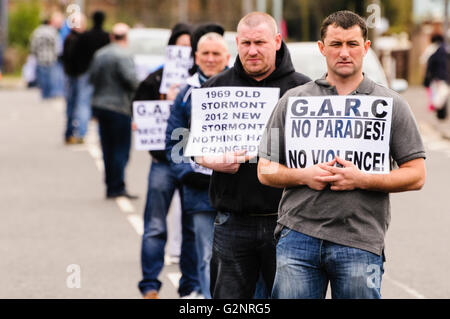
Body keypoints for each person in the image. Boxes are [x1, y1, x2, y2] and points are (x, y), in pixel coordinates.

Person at [257, 10, 426, 299]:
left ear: (366, 48)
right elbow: (265, 169)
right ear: (322, 48)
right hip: (297, 237)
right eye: (336, 44)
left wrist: (362, 179)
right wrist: (304, 176)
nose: (344, 52)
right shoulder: (292, 102)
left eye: (352, 44)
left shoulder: (391, 104)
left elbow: (416, 174)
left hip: (360, 241)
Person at [194, 12, 311, 299]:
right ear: (236, 43)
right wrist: (211, 160)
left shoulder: (303, 90)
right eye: (245, 43)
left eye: (260, 42)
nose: (253, 50)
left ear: (277, 41)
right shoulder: (215, 88)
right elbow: (194, 147)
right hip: (232, 220)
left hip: (288, 222)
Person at [133, 23, 203, 299]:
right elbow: (139, 112)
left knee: (191, 227)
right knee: (154, 225)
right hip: (162, 162)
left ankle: (190, 287)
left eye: (189, 48)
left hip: (191, 164)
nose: (184, 53)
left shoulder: (204, 83)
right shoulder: (154, 80)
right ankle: (150, 285)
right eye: (180, 47)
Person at [166, 31, 231, 299]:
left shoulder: (244, 90)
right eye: (205, 53)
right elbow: (174, 140)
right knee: (206, 256)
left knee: (235, 260)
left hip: (236, 193)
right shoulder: (185, 94)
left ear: (228, 57)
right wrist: (188, 174)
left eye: (217, 53)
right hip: (199, 192)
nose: (211, 58)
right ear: (196, 57)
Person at [89, 23, 139, 199]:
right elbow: (131, 80)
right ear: (126, 37)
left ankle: (110, 185)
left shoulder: (99, 54)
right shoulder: (124, 54)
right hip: (119, 107)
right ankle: (118, 186)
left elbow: (92, 78)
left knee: (107, 148)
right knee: (121, 149)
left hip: (101, 106)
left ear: (112, 36)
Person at [61, 13, 88, 144]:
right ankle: (79, 133)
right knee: (82, 105)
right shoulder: (83, 40)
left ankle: (69, 131)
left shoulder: (68, 38)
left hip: (70, 75)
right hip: (80, 76)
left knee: (71, 105)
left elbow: (64, 58)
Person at [30, 14, 63, 99]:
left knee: (42, 78)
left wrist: (34, 54)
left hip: (40, 58)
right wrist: (57, 54)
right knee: (51, 77)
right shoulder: (53, 31)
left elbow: (33, 45)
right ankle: (50, 93)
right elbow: (57, 45)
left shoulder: (37, 32)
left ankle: (44, 94)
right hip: (51, 58)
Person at [423, 33, 449, 120]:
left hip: (438, 77)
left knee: (440, 95)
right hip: (444, 76)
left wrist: (428, 76)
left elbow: (430, 62)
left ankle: (437, 110)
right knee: (442, 94)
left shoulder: (435, 49)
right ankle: (441, 114)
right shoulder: (445, 48)